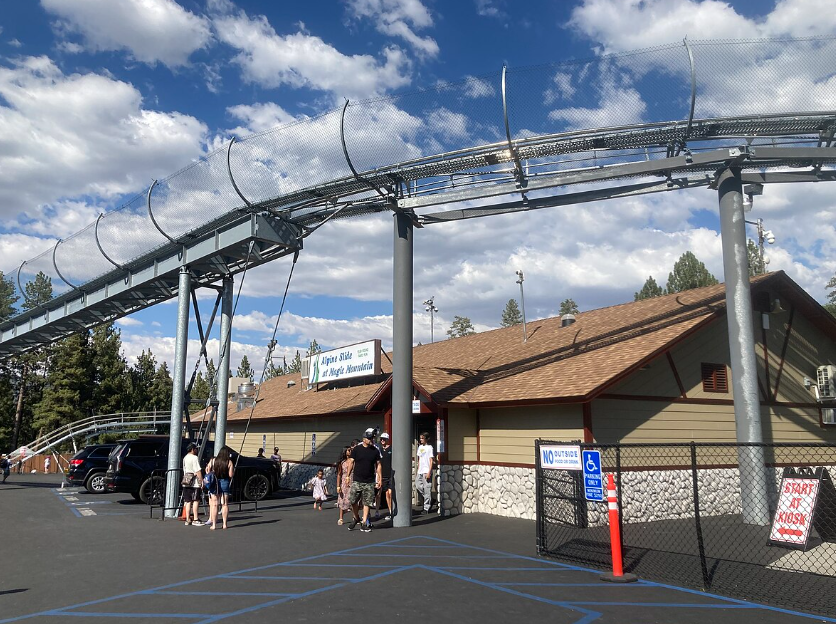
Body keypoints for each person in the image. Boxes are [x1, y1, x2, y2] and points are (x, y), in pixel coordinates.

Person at [348, 428, 381, 533]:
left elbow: (378, 465)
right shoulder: (357, 449)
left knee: (367, 502)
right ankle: (356, 517)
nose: (371, 440)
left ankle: (363, 523)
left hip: (369, 481)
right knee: (352, 500)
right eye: (369, 438)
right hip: (357, 480)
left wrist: (379, 478)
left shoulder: (375, 451)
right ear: (364, 439)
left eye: (372, 438)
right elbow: (351, 462)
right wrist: (348, 476)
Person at [211, 446, 234, 530]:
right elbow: (230, 475)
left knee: (215, 504)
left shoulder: (214, 460)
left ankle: (214, 525)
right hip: (225, 482)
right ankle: (224, 524)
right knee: (224, 504)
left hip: (215, 482)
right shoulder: (229, 462)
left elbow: (209, 470)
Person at [182, 443, 203, 525]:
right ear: (192, 449)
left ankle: (187, 519)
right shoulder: (194, 458)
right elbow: (198, 471)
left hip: (186, 481)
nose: (196, 450)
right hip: (195, 483)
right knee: (196, 500)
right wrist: (201, 481)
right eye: (196, 449)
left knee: (188, 501)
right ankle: (195, 518)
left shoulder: (185, 458)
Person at [415, 432, 434, 515]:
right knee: (418, 485)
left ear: (426, 439)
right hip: (420, 471)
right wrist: (418, 470)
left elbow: (431, 460)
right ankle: (429, 499)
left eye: (422, 438)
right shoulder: (420, 447)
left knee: (427, 489)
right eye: (420, 438)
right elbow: (419, 459)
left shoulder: (429, 448)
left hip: (427, 471)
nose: (421, 440)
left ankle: (426, 508)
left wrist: (429, 471)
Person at [335, 446, 353, 525]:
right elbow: (339, 474)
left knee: (353, 500)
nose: (350, 451)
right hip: (344, 482)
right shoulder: (342, 463)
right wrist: (338, 486)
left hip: (352, 481)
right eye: (348, 450)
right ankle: (341, 518)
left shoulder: (353, 461)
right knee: (342, 500)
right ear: (345, 452)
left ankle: (355, 517)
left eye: (351, 450)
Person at [378, 433, 393, 520]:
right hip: (383, 475)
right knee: (387, 494)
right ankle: (391, 511)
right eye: (381, 439)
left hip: (390, 474)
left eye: (384, 439)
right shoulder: (379, 450)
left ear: (387, 440)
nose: (382, 440)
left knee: (390, 493)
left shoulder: (391, 449)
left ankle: (393, 511)